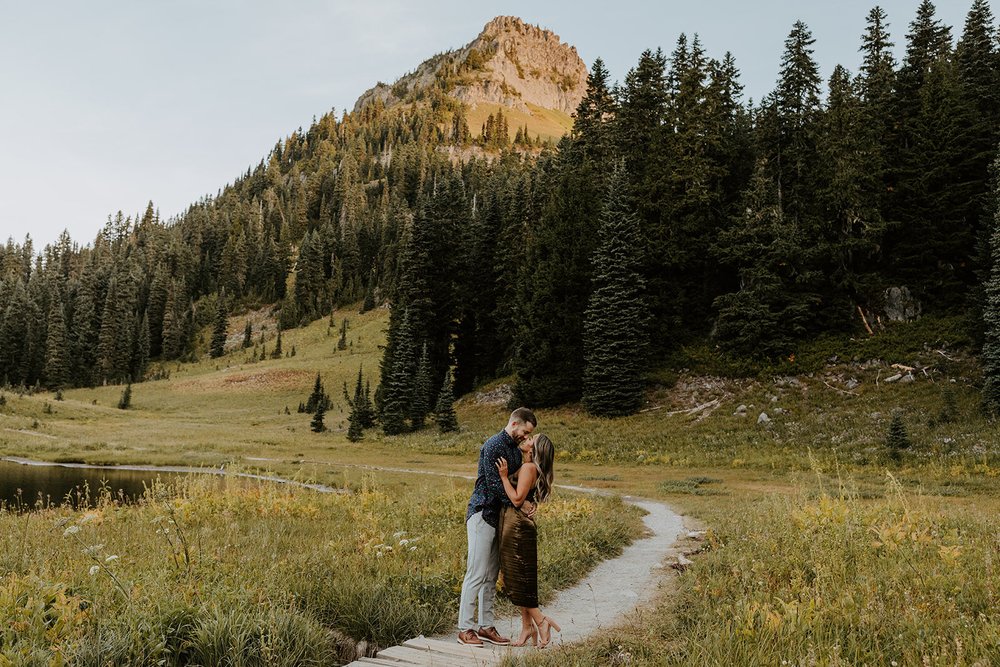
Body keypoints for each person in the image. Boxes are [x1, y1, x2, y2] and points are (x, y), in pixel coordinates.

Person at [457, 407, 538, 647]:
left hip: (499, 518)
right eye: (525, 431)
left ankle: (486, 626)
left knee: (491, 576)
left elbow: (515, 480)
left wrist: (524, 499)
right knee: (476, 572)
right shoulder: (494, 445)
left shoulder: (514, 450)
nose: (525, 436)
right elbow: (494, 486)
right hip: (482, 513)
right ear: (514, 424)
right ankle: (465, 629)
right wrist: (520, 504)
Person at [495, 434, 560, 648]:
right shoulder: (528, 466)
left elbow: (516, 499)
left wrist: (504, 477)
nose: (528, 438)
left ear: (537, 448)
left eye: (533, 438)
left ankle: (541, 621)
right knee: (523, 578)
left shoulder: (528, 468)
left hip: (517, 526)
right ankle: (527, 627)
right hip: (517, 524)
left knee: (515, 579)